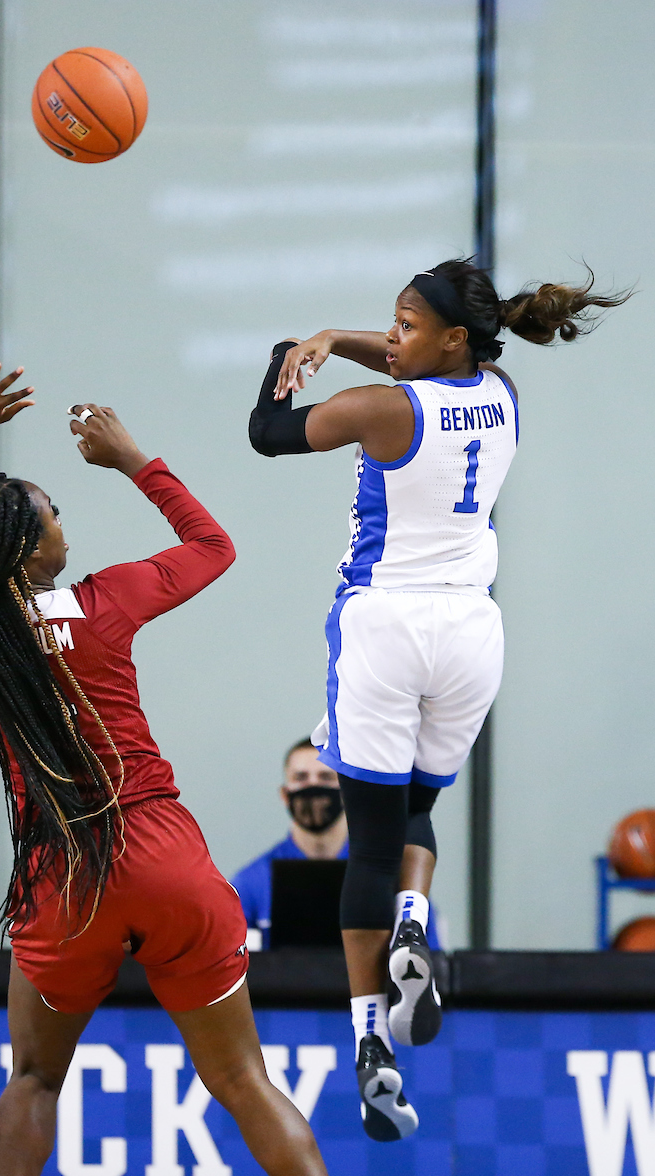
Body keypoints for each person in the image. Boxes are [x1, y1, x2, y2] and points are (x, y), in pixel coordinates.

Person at [0, 358, 328, 1176]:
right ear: (31, 546)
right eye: (55, 514)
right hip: (163, 855)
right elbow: (213, 546)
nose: (64, 527)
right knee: (241, 1080)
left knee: (35, 1078)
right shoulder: (104, 601)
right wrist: (131, 460)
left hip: (64, 872)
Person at [248, 259, 629, 1142]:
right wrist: (336, 338)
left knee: (370, 848)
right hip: (471, 633)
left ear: (453, 337)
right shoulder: (502, 394)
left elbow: (269, 433)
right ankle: (414, 927)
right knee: (417, 808)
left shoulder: (382, 410)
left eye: (406, 325)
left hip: (385, 627)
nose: (391, 338)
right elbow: (407, 364)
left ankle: (370, 1041)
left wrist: (285, 353)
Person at [233, 737, 442, 952]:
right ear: (285, 795)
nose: (313, 785)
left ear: (347, 792)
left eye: (325, 777)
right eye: (301, 777)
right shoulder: (250, 883)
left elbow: (428, 959)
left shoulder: (390, 878)